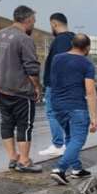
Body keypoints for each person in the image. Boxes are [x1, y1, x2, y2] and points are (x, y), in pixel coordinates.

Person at [0, 5, 42, 173]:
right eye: (33, 20)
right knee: (24, 125)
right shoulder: (24, 39)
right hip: (20, 90)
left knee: (7, 122)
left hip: (0, 87)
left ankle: (13, 157)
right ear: (27, 20)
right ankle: (25, 161)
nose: (34, 24)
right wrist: (37, 87)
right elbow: (32, 68)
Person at [49, 34, 97, 185]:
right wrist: (94, 118)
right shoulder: (87, 64)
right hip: (76, 106)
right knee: (78, 139)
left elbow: (53, 81)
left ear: (72, 44)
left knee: (70, 137)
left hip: (57, 105)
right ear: (87, 47)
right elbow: (90, 92)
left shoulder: (57, 59)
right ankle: (60, 169)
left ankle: (77, 169)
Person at [39, 13, 75, 156]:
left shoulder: (60, 40)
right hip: (70, 85)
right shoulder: (73, 39)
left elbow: (59, 63)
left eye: (51, 26)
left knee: (52, 113)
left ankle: (58, 144)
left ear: (54, 24)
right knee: (65, 115)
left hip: (57, 85)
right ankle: (69, 143)